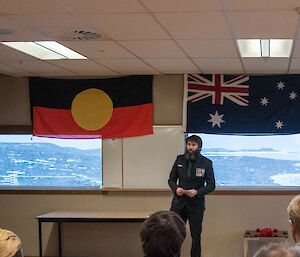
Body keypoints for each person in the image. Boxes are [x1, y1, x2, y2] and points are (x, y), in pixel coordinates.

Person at [168, 135, 215, 257]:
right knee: (174, 235)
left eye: (193, 145)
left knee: (196, 236)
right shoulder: (179, 160)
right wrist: (176, 188)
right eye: (188, 144)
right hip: (178, 204)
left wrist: (197, 192)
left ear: (199, 147)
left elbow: (211, 185)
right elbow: (171, 180)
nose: (190, 147)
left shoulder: (206, 163)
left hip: (196, 205)